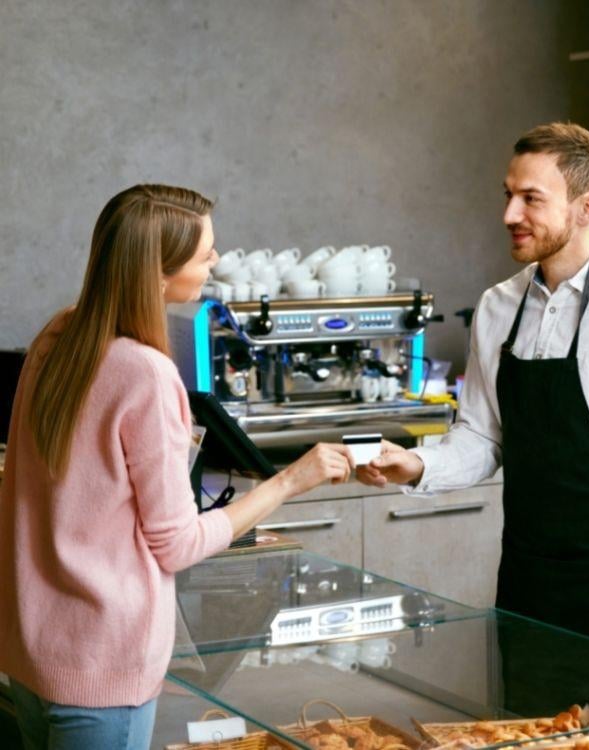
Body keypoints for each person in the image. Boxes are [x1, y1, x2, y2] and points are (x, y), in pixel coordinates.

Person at [0, 184, 355, 750]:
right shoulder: (144, 372)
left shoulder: (56, 335)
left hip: (28, 657)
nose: (215, 260)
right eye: (203, 253)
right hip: (103, 672)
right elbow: (177, 544)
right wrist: (291, 480)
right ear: (158, 273)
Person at [358, 123, 589, 668]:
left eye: (531, 199)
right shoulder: (498, 306)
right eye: (509, 196)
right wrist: (415, 464)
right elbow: (481, 436)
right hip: (523, 593)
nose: (509, 215)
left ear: (585, 207)